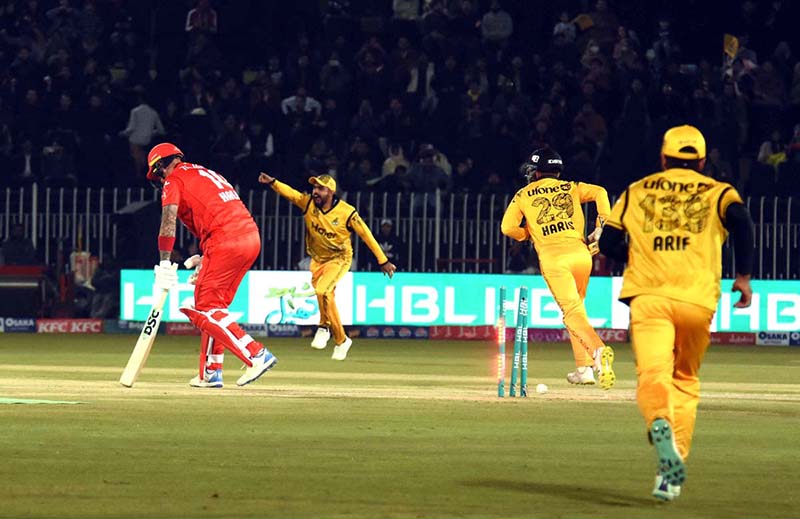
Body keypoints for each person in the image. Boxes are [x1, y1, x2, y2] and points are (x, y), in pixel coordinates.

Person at [598, 125, 754, 501]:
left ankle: (659, 422)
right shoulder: (720, 192)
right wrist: (744, 277)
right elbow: (743, 223)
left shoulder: (637, 190)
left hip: (649, 296)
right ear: (702, 161)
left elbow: (607, 241)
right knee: (684, 380)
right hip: (697, 300)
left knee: (653, 373)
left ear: (663, 159)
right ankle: (670, 474)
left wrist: (636, 256)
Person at [147, 142, 277, 388]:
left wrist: (164, 262)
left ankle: (256, 354)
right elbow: (221, 213)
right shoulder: (207, 173)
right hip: (249, 237)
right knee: (215, 308)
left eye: (158, 173)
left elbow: (168, 220)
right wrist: (206, 255)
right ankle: (210, 371)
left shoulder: (174, 179)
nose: (160, 179)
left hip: (226, 240)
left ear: (163, 165)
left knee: (205, 307)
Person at [500, 147, 614, 389]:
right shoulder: (571, 187)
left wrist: (528, 234)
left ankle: (598, 351)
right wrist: (602, 225)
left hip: (554, 258)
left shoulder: (523, 194)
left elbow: (507, 228)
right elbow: (601, 192)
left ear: (538, 172)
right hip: (582, 254)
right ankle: (583, 369)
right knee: (577, 310)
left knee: (571, 312)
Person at [258, 171, 397, 360]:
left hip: (339, 259)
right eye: (314, 187)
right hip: (317, 260)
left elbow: (366, 235)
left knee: (323, 291)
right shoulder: (308, 204)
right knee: (326, 296)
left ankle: (331, 332)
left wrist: (384, 260)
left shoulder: (347, 212)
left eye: (320, 189)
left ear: (330, 192)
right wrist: (273, 182)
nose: (315, 191)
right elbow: (291, 194)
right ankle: (333, 333)